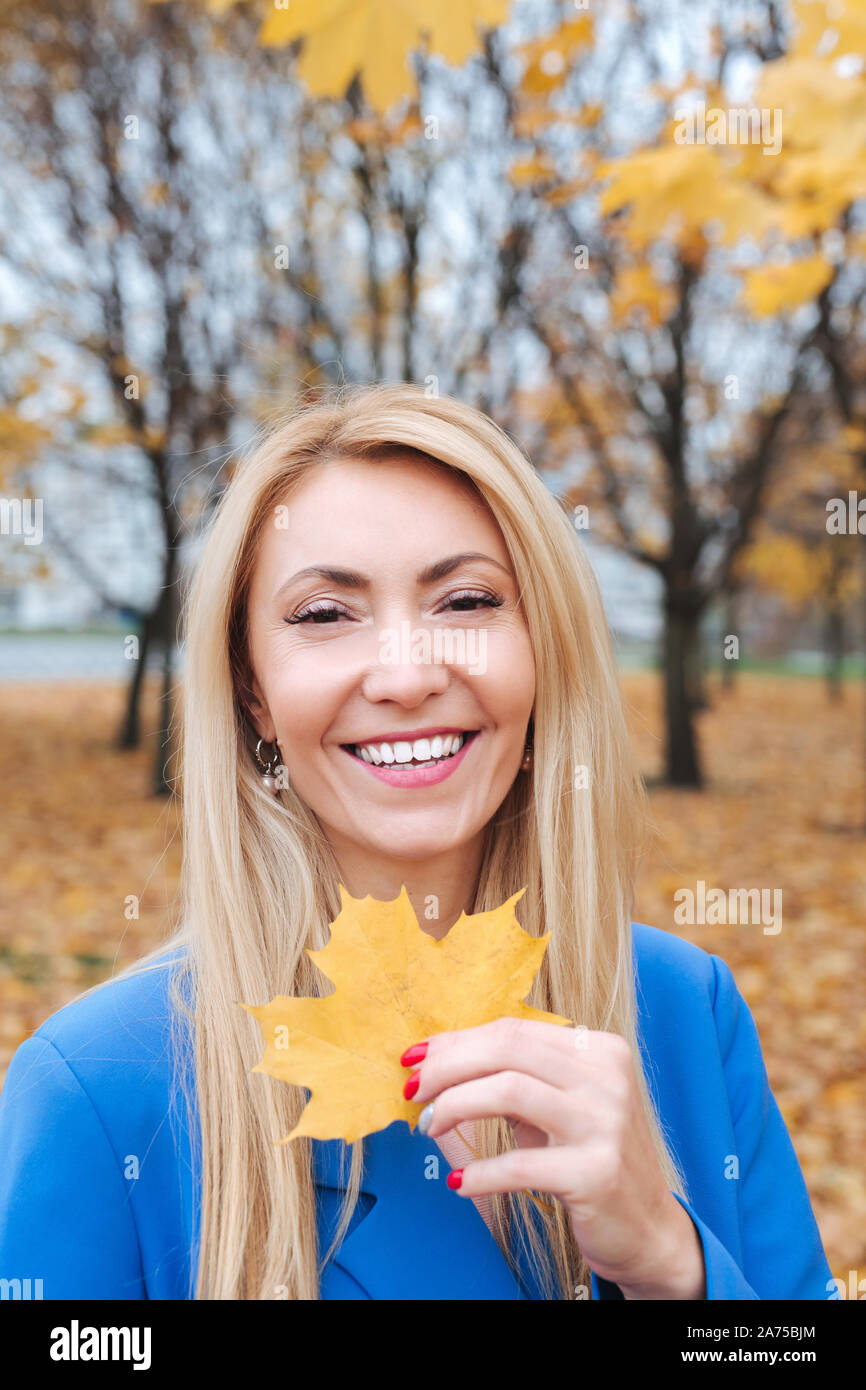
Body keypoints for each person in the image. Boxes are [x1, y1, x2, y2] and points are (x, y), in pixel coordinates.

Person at [0, 383, 832, 1300]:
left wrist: (676, 1267)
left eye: (467, 600)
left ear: (542, 651)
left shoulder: (685, 1012)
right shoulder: (100, 1090)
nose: (405, 675)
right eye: (325, 614)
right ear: (252, 693)